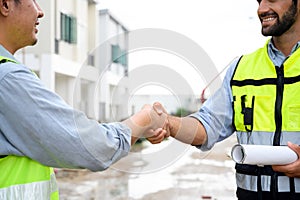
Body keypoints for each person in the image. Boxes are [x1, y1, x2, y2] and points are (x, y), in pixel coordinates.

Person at [0, 0, 168, 199]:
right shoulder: (7, 78)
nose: (40, 11)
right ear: (5, 4)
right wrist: (143, 120)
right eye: (33, 0)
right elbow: (90, 147)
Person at [148, 0, 300, 199]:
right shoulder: (241, 69)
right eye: (259, 0)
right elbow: (208, 125)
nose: (261, 9)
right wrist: (168, 123)